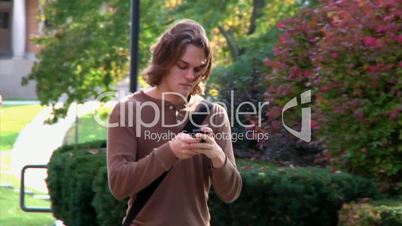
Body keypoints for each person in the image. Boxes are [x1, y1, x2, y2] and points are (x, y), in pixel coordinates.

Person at [107, 19, 242, 226]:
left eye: (198, 69)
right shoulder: (128, 110)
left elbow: (231, 193)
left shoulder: (213, 114)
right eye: (182, 66)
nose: (190, 76)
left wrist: (217, 156)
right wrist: (170, 151)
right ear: (164, 60)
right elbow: (118, 185)